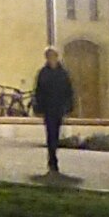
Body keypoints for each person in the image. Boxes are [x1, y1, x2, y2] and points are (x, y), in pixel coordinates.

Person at [32, 46, 76, 174]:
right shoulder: (43, 73)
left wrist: (69, 106)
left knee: (55, 133)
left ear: (56, 57)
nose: (51, 58)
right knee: (50, 132)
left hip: (59, 107)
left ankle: (53, 156)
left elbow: (69, 90)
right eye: (49, 56)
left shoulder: (63, 73)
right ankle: (52, 159)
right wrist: (38, 106)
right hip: (48, 107)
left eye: (53, 56)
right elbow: (38, 91)